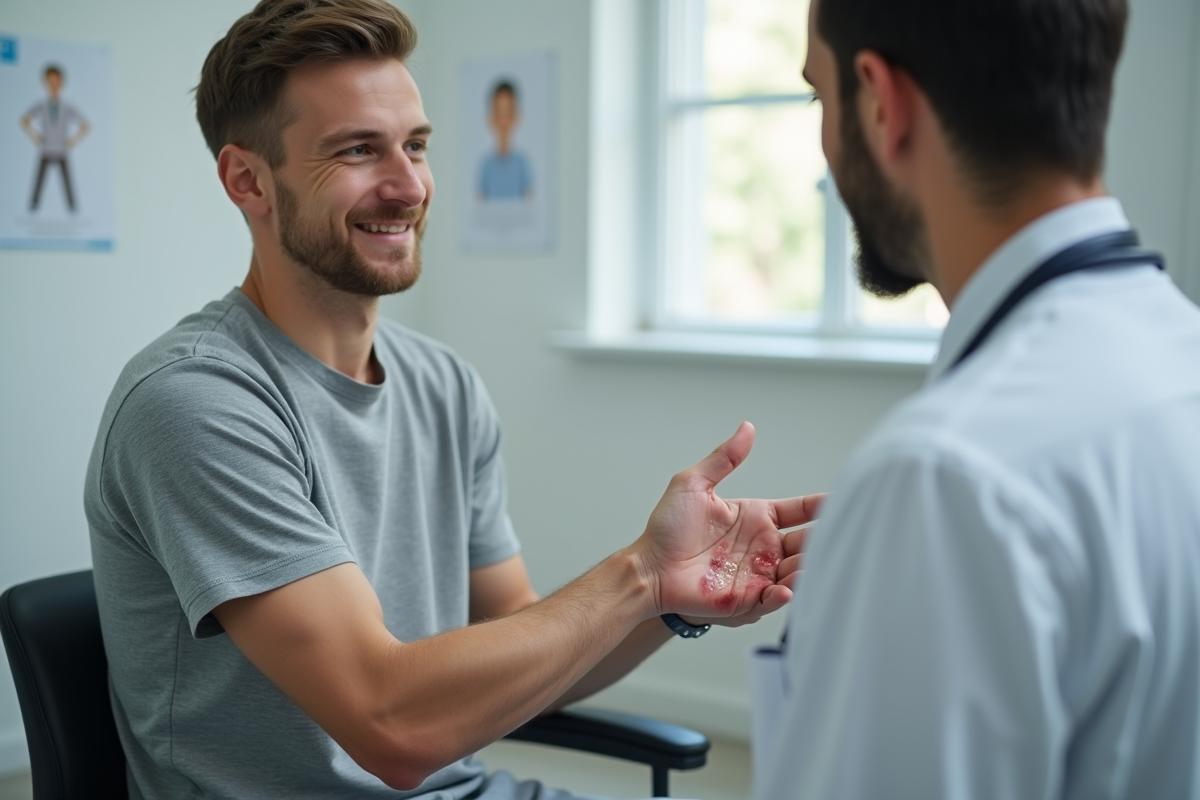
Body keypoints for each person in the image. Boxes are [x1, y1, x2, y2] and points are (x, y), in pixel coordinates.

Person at [83, 1, 818, 798]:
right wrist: (636, 576)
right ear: (247, 180)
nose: (409, 186)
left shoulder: (444, 386)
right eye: (359, 150)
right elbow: (392, 727)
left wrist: (672, 596)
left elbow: (526, 650)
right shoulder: (196, 404)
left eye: (417, 145)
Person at [757, 0, 1200, 797]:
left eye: (822, 100)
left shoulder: (940, 478)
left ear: (882, 103)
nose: (825, 151)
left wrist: (893, 564)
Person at [21, 63, 89, 213]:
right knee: (38, 182)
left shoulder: (67, 107)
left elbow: (85, 125)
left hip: (61, 148)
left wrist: (73, 140)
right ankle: (33, 206)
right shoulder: (42, 105)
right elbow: (24, 120)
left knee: (67, 183)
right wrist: (35, 136)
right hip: (46, 148)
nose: (53, 84)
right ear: (45, 82)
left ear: (62, 82)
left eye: (56, 81)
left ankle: (72, 207)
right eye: (50, 81)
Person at [478, 79, 533, 201]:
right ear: (491, 117)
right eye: (499, 113)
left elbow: (529, 202)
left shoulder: (522, 163)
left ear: (515, 116)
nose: (503, 121)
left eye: (507, 113)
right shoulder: (486, 165)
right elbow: (479, 204)